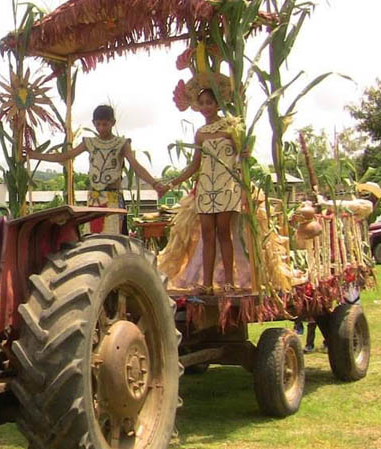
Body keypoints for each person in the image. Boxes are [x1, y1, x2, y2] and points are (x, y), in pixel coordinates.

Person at [159, 80, 245, 295]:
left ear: (217, 104)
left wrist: (245, 155)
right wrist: (171, 183)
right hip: (206, 187)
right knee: (207, 235)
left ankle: (229, 282)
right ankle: (206, 283)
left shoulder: (231, 126)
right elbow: (194, 165)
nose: (206, 107)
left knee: (224, 233)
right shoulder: (200, 133)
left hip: (227, 186)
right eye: (202, 103)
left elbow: (241, 155)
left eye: (209, 102)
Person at [26, 104, 165, 234]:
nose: (101, 128)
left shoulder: (121, 144)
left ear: (113, 122)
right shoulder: (89, 143)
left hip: (113, 199)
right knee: (93, 239)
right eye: (98, 124)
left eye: (105, 124)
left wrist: (154, 184)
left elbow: (136, 166)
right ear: (93, 123)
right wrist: (35, 155)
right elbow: (64, 156)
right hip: (94, 199)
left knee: (113, 241)